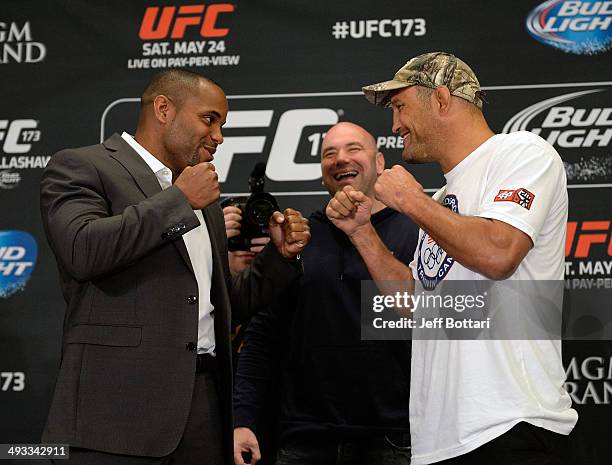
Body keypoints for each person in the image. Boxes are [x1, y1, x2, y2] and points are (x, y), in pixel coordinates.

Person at [39, 69, 310, 465]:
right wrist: (179, 201)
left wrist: (280, 257)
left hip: (202, 407)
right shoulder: (84, 167)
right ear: (163, 109)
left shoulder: (203, 198)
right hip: (114, 416)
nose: (218, 136)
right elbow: (82, 250)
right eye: (209, 119)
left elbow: (225, 302)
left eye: (222, 124)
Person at [328, 51, 577, 464]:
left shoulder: (521, 153)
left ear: (441, 100)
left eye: (400, 107)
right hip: (441, 441)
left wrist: (410, 200)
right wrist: (362, 233)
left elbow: (499, 255)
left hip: (510, 427)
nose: (395, 125)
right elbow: (420, 307)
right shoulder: (443, 201)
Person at [233, 122, 419, 465]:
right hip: (305, 439)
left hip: (396, 438)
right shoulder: (296, 239)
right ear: (321, 174)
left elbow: (439, 324)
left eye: (353, 149)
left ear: (379, 162)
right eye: (329, 153)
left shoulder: (418, 232)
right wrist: (244, 419)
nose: (340, 159)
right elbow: (262, 338)